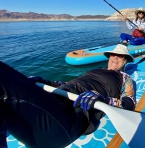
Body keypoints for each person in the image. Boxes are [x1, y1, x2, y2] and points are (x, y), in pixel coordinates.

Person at [0, 44, 135, 148]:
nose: (115, 58)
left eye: (120, 56)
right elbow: (71, 84)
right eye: (113, 54)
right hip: (55, 101)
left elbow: (128, 103)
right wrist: (47, 82)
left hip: (71, 116)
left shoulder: (125, 78)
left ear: (125, 61)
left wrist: (104, 100)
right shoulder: (96, 70)